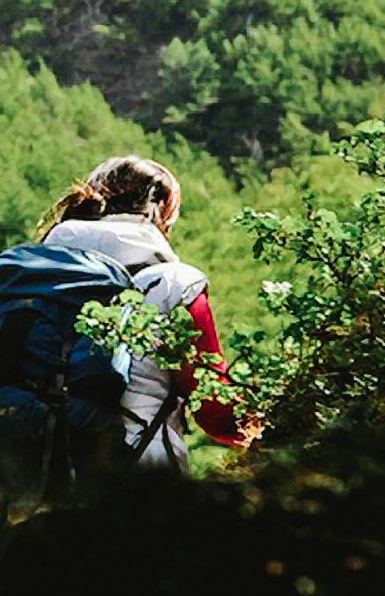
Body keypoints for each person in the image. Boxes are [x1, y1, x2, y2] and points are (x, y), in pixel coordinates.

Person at [34, 154, 247, 469]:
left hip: (34, 472)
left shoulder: (37, 273)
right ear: (163, 212)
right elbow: (216, 411)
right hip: (138, 475)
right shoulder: (175, 285)